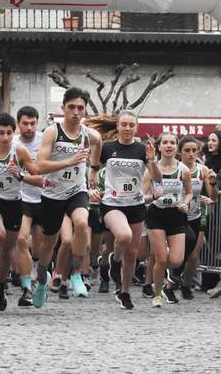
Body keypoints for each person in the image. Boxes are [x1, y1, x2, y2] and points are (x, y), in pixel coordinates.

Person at [32, 87, 102, 308]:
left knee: (81, 224)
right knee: (49, 243)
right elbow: (39, 166)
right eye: (71, 107)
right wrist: (69, 162)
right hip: (52, 193)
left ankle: (77, 274)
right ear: (63, 108)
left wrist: (93, 170)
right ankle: (43, 279)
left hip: (76, 190)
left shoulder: (91, 135)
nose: (76, 112)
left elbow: (98, 145)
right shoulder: (53, 132)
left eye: (80, 108)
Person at [94, 110, 160, 309]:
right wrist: (93, 189)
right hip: (112, 203)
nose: (128, 128)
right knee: (123, 236)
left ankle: (124, 292)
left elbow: (157, 178)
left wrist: (152, 159)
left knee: (132, 254)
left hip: (136, 204)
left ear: (136, 127)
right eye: (124, 124)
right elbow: (93, 170)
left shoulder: (142, 150)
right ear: (117, 126)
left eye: (132, 125)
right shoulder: (107, 148)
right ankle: (114, 261)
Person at [0, 113, 35, 310]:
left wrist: (19, 174)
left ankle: (2, 288)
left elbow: (37, 174)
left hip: (14, 203)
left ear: (15, 133)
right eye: (1, 133)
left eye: (9, 133)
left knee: (7, 251)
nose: (5, 137)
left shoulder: (19, 151)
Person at [142, 132, 193, 307]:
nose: (169, 145)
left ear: (177, 147)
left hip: (176, 215)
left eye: (172, 142)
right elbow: (143, 196)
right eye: (165, 142)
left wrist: (185, 203)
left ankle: (165, 285)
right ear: (159, 147)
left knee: (176, 260)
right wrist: (153, 196)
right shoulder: (151, 169)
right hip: (156, 214)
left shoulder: (184, 170)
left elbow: (189, 193)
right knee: (161, 258)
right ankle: (157, 294)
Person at [176, 136, 218, 299]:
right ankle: (171, 280)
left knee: (194, 254)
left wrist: (213, 185)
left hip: (198, 213)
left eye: (194, 150)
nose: (191, 154)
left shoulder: (203, 170)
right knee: (177, 254)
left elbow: (214, 196)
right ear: (180, 152)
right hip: (177, 214)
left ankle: (186, 285)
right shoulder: (174, 168)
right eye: (187, 150)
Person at [12, 106, 45, 307]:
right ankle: (26, 287)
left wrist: (22, 175)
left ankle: (37, 272)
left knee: (40, 247)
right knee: (21, 239)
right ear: (18, 123)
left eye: (33, 123)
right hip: (22, 198)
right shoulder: (12, 143)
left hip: (44, 199)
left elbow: (44, 178)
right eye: (25, 123)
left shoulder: (45, 141)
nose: (29, 127)